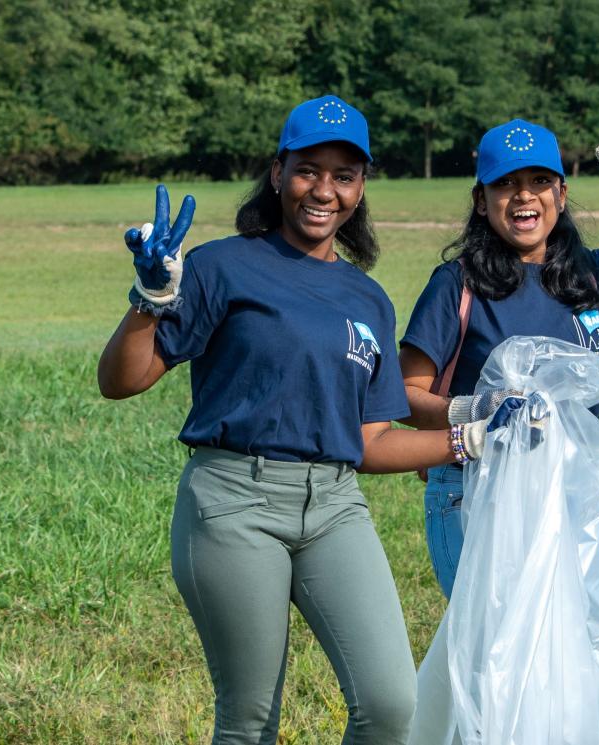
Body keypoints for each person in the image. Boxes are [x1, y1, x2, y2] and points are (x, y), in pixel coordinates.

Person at [97, 95, 504, 745]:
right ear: (278, 172)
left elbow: (369, 441)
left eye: (344, 175)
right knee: (251, 718)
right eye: (309, 169)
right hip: (234, 502)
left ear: (361, 186)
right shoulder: (220, 266)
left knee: (390, 704)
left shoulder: (367, 298)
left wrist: (469, 440)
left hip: (335, 507)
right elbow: (120, 381)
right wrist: (148, 301)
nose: (325, 190)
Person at [399, 119, 599, 599]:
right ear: (480, 200)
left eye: (539, 182)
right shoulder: (457, 283)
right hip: (473, 487)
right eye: (505, 184)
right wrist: (478, 410)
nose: (524, 196)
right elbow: (405, 397)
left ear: (561, 192)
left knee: (555, 653)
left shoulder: (587, 277)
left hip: (568, 490)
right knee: (496, 652)